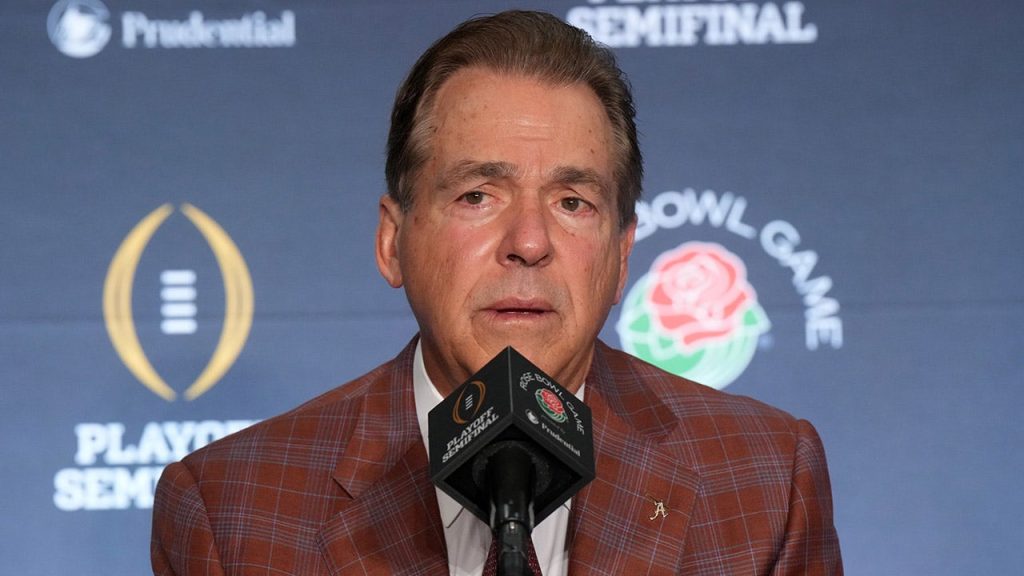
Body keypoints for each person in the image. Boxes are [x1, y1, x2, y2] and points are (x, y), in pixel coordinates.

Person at [151, 10, 842, 576]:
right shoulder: (232, 513)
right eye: (478, 195)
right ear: (392, 241)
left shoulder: (763, 480)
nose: (530, 242)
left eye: (572, 202)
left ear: (621, 256)